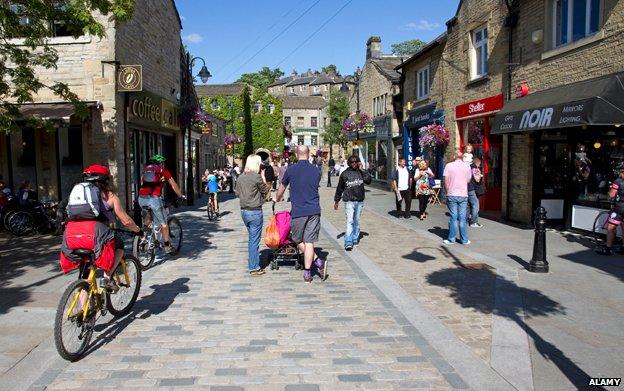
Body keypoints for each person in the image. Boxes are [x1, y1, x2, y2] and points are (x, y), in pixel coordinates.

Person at [61, 165, 142, 291]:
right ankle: (107, 277)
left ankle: (83, 309)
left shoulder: (79, 193)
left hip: (71, 234)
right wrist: (138, 230)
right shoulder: (110, 196)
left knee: (85, 275)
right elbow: (126, 221)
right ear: (106, 180)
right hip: (95, 235)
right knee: (119, 245)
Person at [276, 145, 327, 283]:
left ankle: (316, 262)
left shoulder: (290, 170)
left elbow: (282, 188)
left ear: (296, 154)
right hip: (314, 210)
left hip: (298, 211)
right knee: (309, 242)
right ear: (309, 154)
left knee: (297, 240)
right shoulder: (316, 171)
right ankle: (308, 272)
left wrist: (278, 197)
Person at [137, 154, 184, 254]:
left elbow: (142, 183)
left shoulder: (145, 170)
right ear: (160, 163)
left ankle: (143, 238)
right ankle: (167, 246)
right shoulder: (163, 171)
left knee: (148, 217)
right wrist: (180, 195)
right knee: (164, 224)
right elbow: (173, 184)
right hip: (154, 199)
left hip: (141, 198)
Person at [235, 154, 270, 275]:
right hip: (255, 211)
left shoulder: (240, 177)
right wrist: (263, 176)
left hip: (244, 211)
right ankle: (254, 267)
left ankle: (253, 262)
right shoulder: (256, 177)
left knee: (251, 239)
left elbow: (237, 193)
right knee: (254, 240)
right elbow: (266, 191)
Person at [333, 155, 372, 250]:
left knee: (357, 221)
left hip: (359, 200)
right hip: (349, 200)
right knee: (350, 221)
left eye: (356, 162)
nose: (354, 163)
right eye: (352, 162)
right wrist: (336, 200)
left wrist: (362, 170)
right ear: (349, 163)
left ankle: (355, 238)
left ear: (358, 162)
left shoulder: (361, 172)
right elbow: (340, 188)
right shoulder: (345, 174)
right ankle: (348, 241)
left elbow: (369, 181)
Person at [443, 150, 472, 245]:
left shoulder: (449, 166)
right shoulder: (467, 166)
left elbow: (446, 181)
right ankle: (464, 240)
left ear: (454, 157)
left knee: (454, 217)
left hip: (452, 194)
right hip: (463, 194)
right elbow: (468, 180)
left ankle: (452, 239)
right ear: (462, 157)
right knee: (462, 218)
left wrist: (447, 192)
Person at [597, 164, 624, 255]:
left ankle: (608, 249)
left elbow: (612, 195)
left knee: (611, 228)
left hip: (619, 208)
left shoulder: (618, 181)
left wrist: (609, 191)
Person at [468, 157, 484, 228]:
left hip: (469, 188)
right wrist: (480, 174)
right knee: (476, 206)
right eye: (479, 164)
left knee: (472, 205)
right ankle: (473, 222)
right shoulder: (474, 169)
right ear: (477, 163)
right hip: (472, 189)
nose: (480, 165)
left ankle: (475, 221)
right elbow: (477, 180)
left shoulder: (469, 168)